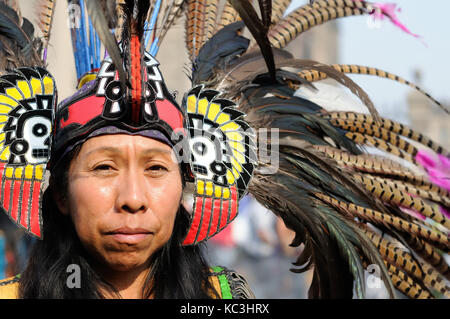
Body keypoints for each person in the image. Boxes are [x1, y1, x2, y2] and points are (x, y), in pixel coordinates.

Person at [0, 0, 449, 299]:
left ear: (185, 189)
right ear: (58, 192)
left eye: (157, 168)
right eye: (103, 167)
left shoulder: (231, 300)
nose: (132, 198)